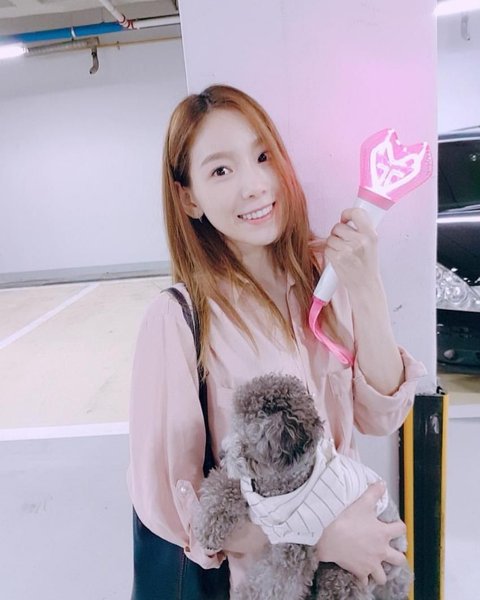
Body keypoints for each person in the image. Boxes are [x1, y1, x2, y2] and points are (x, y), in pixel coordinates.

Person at [126, 84, 426, 597]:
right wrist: (317, 540)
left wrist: (365, 285)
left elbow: (380, 417)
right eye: (221, 171)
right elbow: (175, 505)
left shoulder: (325, 273)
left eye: (263, 156)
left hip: (356, 574)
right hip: (263, 584)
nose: (254, 185)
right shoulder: (178, 318)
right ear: (188, 198)